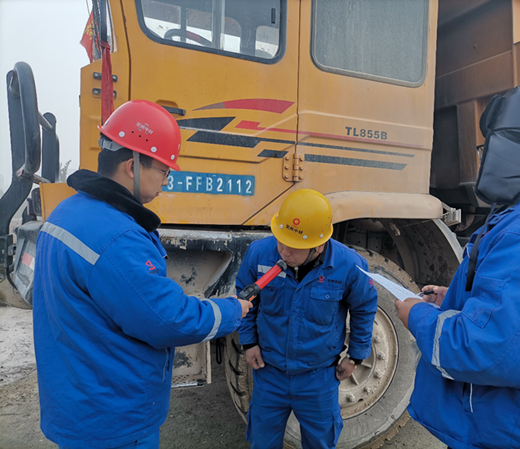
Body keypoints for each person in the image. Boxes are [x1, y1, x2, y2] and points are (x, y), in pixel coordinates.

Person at [32, 99, 252, 449]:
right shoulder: (117, 237)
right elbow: (167, 320)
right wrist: (231, 311)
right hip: (115, 419)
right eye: (164, 171)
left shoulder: (67, 213)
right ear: (132, 166)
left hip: (77, 402)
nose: (166, 182)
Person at [395, 82, 520, 449]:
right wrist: (458, 299)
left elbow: (494, 353)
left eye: (487, 147)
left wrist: (417, 317)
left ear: (518, 147)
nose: (484, 158)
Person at [236, 189, 378, 449]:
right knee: (262, 442)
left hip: (318, 379)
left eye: (293, 248)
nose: (283, 252)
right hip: (269, 373)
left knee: (320, 443)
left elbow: (365, 307)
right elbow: (245, 297)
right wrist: (249, 342)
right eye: (281, 241)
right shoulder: (259, 254)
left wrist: (356, 356)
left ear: (318, 246)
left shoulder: (348, 266)